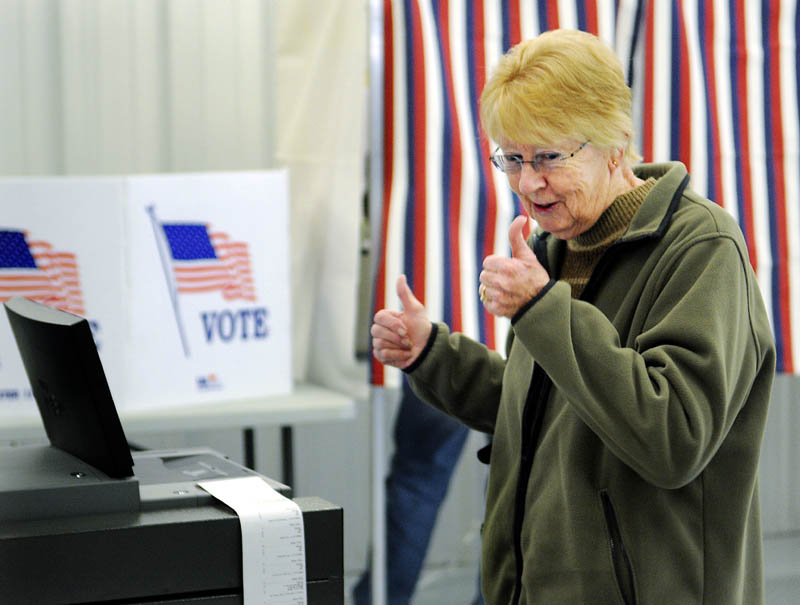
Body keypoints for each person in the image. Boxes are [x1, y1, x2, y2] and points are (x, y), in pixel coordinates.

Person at [370, 28, 776, 605]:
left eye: (548, 157)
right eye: (511, 158)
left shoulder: (701, 248)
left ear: (615, 142)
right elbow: (542, 407)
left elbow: (673, 437)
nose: (527, 182)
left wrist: (541, 309)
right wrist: (433, 354)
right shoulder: (557, 249)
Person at [352, 378, 484, 605]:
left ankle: (382, 598)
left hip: (447, 350)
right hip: (521, 356)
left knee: (418, 478)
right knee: (517, 477)